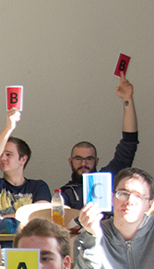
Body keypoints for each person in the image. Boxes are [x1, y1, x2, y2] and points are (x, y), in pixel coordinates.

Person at [58, 76, 140, 209]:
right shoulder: (64, 194)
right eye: (78, 159)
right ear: (70, 161)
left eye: (89, 159)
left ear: (96, 161)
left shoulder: (109, 178)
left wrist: (127, 99)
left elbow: (129, 143)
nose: (83, 163)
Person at [0, 109, 51, 216]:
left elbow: (40, 213)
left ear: (23, 159)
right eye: (1, 154)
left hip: (27, 233)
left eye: (8, 154)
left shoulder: (38, 186)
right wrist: (8, 128)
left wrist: (4, 218)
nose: (2, 158)